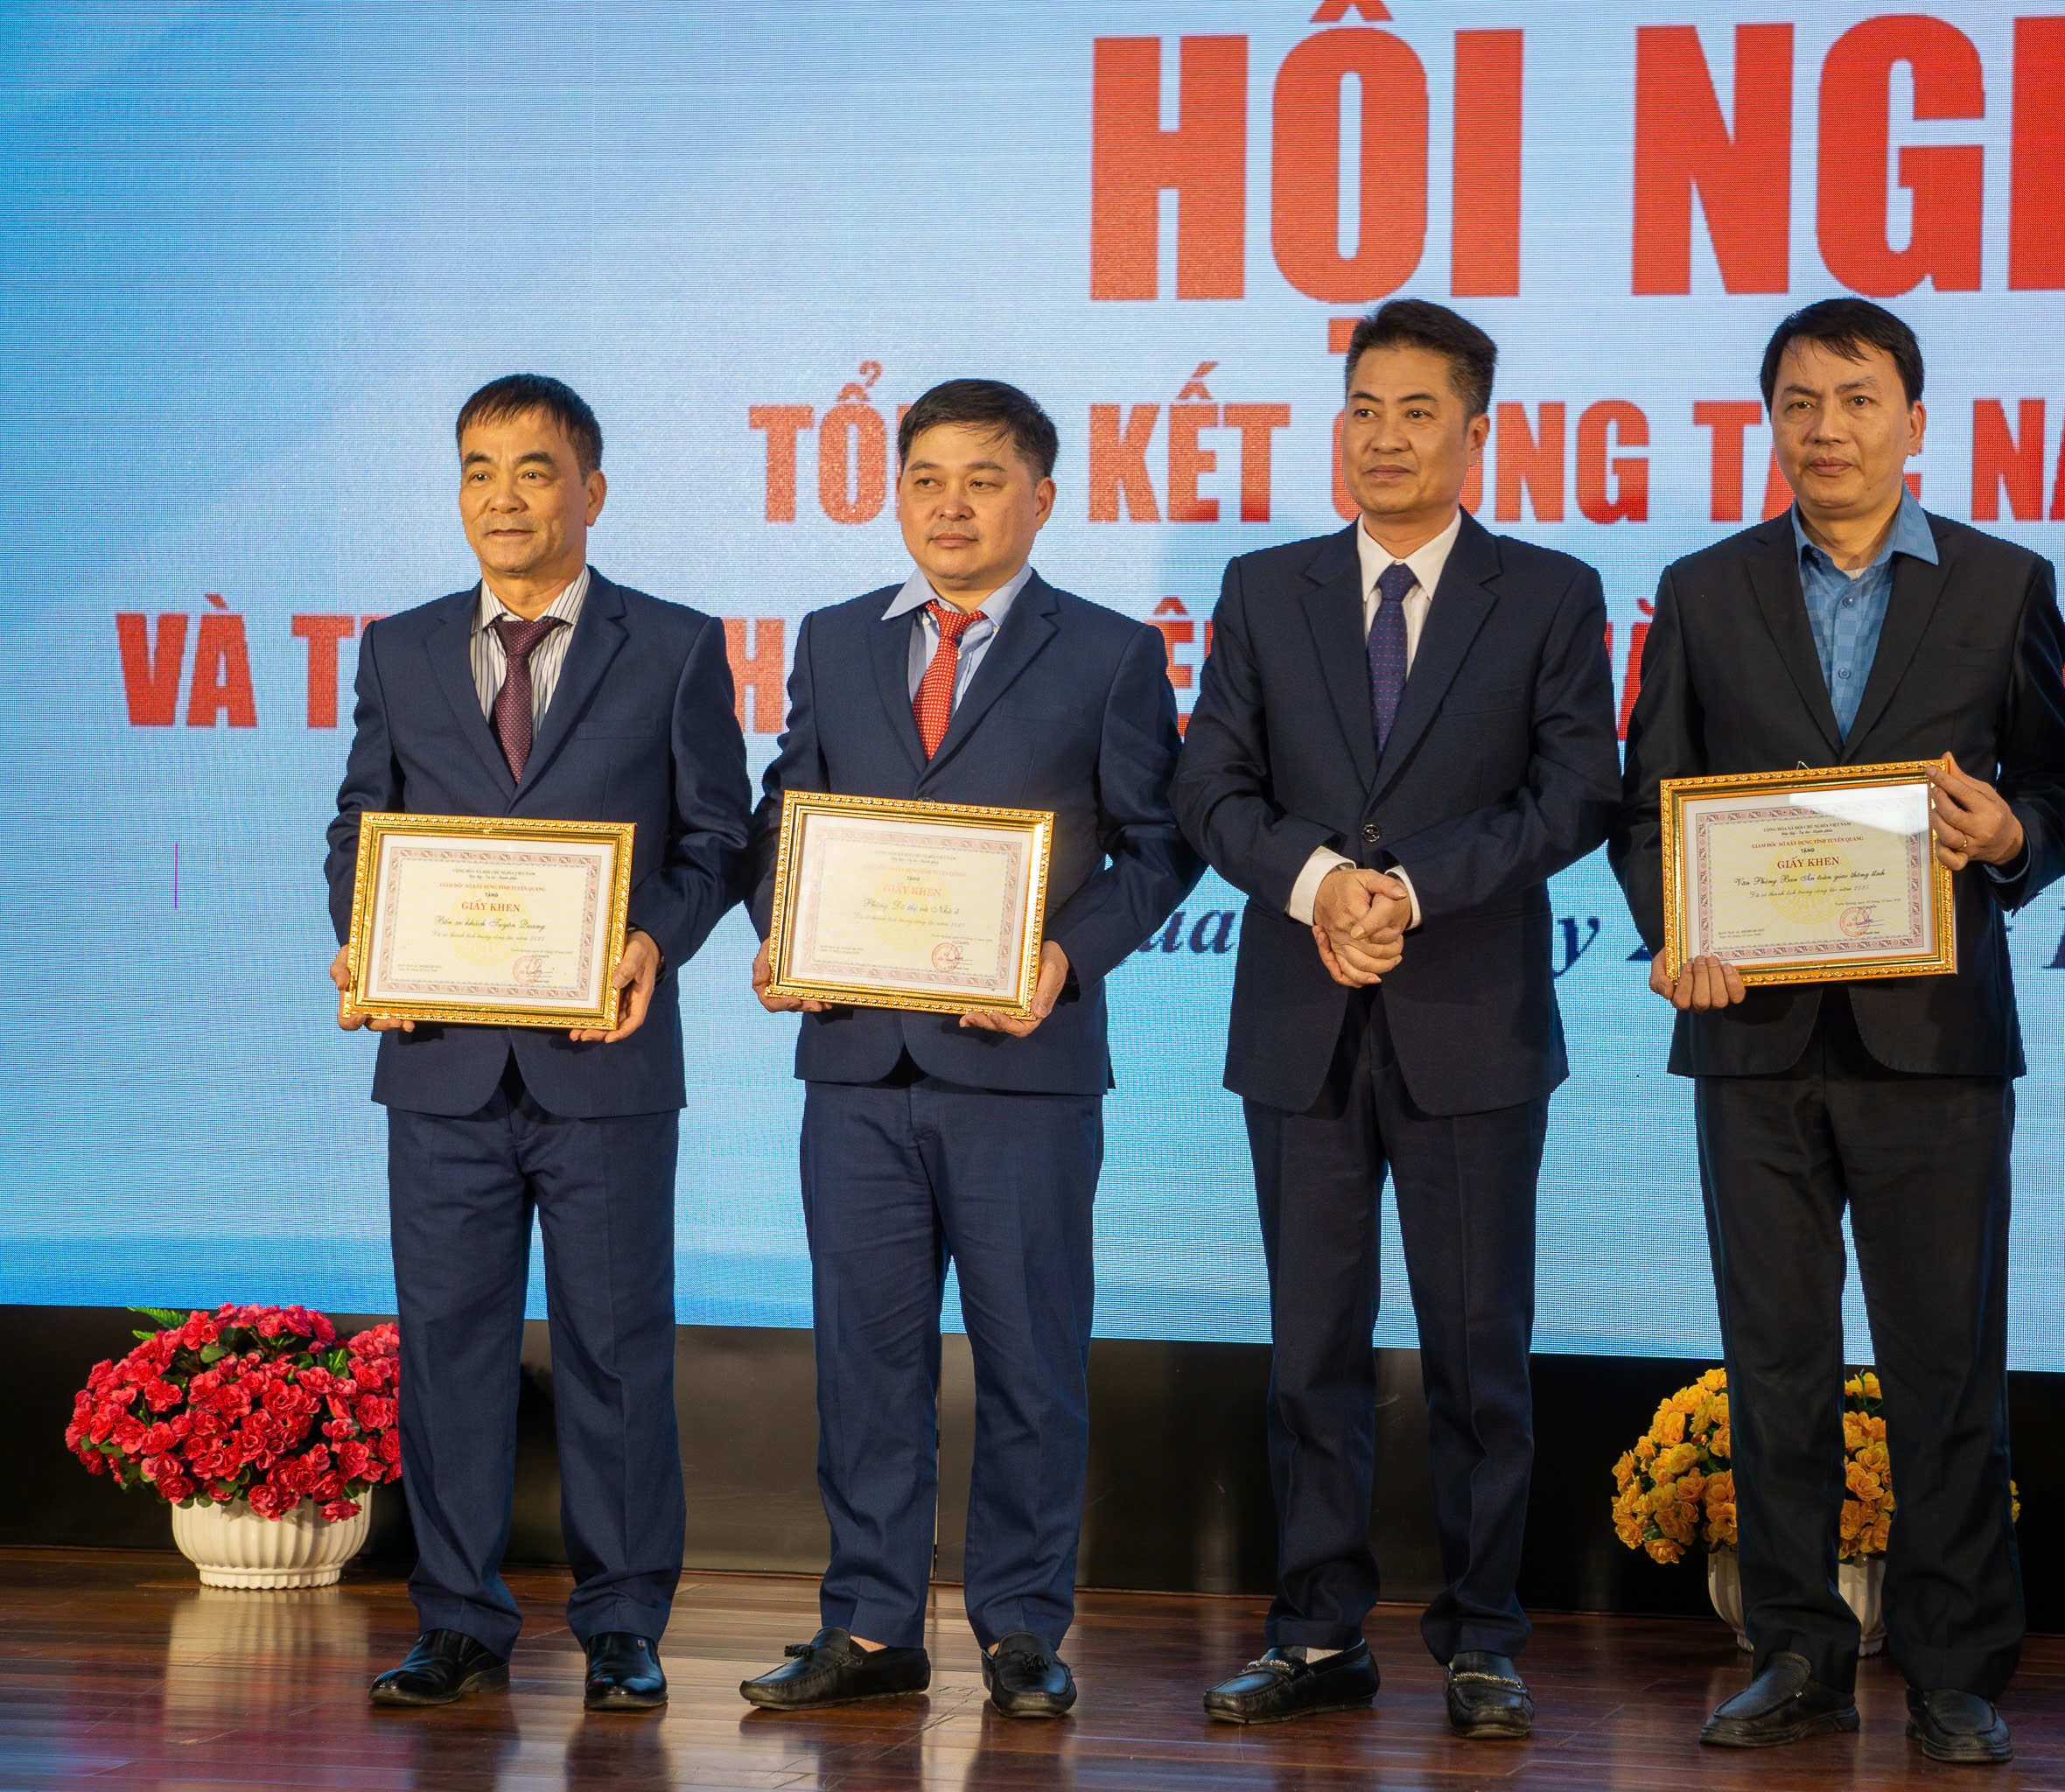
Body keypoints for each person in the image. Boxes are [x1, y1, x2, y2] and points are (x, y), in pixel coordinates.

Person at [1610, 298, 2065, 1765]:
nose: (1828, 430)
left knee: (1948, 1368)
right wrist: (1675, 929)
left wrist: (2013, 837)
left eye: (1858, 399)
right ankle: (1797, 1650)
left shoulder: (2004, 583)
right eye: (1800, 403)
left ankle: (1955, 1665)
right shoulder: (1702, 589)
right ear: (1770, 423)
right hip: (1750, 1039)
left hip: (1936, 1041)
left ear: (1914, 422)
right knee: (1775, 1366)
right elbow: (1649, 806)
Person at [1173, 298, 1619, 1740]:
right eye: (1364, 408)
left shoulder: (1546, 593)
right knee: (1312, 1354)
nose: (1384, 437)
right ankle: (1316, 1635)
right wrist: (1321, 886)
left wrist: (1410, 891)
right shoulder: (1265, 588)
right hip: (1299, 1025)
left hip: (1471, 1026)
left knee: (1482, 1358)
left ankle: (1484, 1639)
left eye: (1417, 411)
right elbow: (1208, 789)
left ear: (1477, 432)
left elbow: (1573, 795)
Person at [732, 380, 1198, 1720]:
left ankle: (1022, 1629)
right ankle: (871, 1626)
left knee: (1030, 1361)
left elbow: (1160, 845)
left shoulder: (1109, 653)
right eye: (926, 478)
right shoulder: (835, 639)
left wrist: (1064, 958)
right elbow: (785, 817)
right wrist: (783, 928)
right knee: (864, 1359)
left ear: (1040, 499)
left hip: (1023, 1068)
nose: (950, 505)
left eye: (983, 480)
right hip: (856, 1065)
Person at [326, 374, 752, 1711]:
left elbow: (719, 839)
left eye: (533, 469)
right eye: (478, 469)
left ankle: (622, 1621)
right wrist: (365, 937)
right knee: (447, 1343)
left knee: (616, 1346)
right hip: (441, 1061)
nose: (503, 497)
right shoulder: (397, 649)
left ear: (591, 491)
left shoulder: (673, 645)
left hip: (605, 1058)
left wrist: (654, 940)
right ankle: (457, 1619)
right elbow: (360, 825)